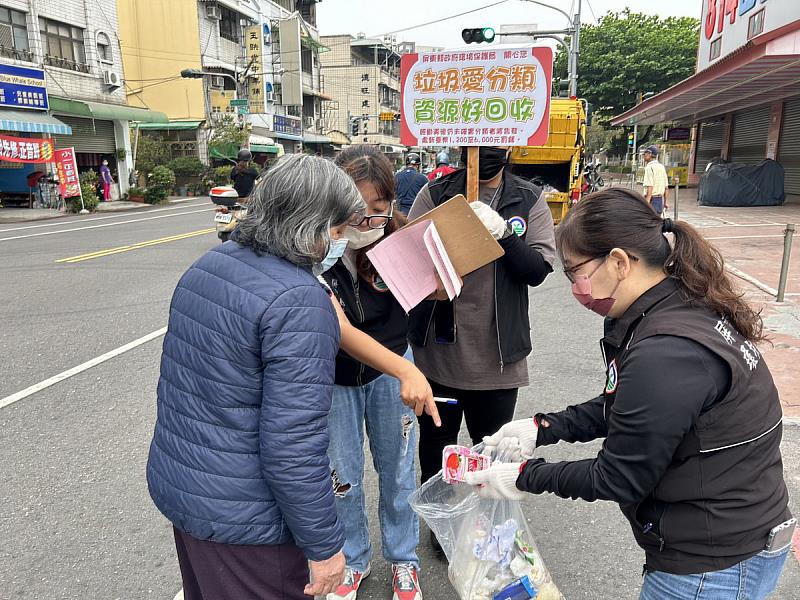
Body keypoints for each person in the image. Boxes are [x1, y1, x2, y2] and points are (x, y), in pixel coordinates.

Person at [467, 187, 794, 600]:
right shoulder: (675, 304)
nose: (575, 287)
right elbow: (626, 408)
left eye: (574, 272)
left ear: (619, 262)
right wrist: (541, 428)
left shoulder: (666, 350)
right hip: (733, 533)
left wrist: (522, 477)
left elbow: (618, 475)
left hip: (711, 562)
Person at [146, 154, 366, 600]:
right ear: (311, 225)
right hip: (249, 520)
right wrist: (325, 547)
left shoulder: (213, 264)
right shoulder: (300, 300)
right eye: (338, 230)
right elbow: (293, 444)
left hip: (189, 489)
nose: (339, 241)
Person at [407, 145, 556, 552]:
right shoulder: (435, 194)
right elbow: (410, 259)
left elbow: (537, 271)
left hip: (498, 357)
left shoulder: (527, 199)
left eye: (495, 144)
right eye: (475, 144)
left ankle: (485, 525)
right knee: (438, 448)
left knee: (489, 446)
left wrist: (505, 235)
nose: (484, 151)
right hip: (439, 354)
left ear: (509, 145)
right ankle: (442, 526)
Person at [322, 145, 426, 600]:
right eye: (356, 213)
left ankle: (404, 559)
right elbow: (339, 331)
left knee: (399, 471)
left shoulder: (400, 236)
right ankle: (353, 560)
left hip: (392, 370)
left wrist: (444, 275)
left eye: (377, 212)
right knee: (340, 476)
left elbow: (435, 295)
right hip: (335, 377)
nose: (366, 225)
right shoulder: (314, 247)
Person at [642, 145, 668, 216]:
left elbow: (650, 186)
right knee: (657, 222)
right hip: (660, 200)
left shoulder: (649, 167)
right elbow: (666, 187)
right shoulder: (661, 167)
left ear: (650, 154)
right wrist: (665, 202)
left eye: (645, 154)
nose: (644, 156)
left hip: (652, 200)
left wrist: (647, 203)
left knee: (650, 223)